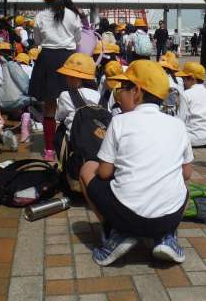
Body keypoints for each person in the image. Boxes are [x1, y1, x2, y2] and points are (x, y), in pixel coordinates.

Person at [79, 60, 193, 266]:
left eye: (122, 88)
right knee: (184, 189)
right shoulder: (178, 125)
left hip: (126, 216)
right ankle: (166, 236)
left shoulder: (120, 121)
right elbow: (187, 174)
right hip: (169, 217)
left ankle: (115, 233)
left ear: (136, 91)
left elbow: (103, 173)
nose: (118, 93)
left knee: (87, 168)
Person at [29, 0, 82, 161]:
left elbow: (37, 41)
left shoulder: (40, 16)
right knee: (72, 102)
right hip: (68, 60)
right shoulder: (73, 14)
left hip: (47, 59)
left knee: (49, 107)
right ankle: (71, 145)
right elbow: (78, 39)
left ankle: (49, 150)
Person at [55, 53, 100, 140]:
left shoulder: (65, 95)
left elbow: (59, 117)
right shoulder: (99, 96)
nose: (66, 79)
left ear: (74, 78)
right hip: (98, 141)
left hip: (74, 142)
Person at [175, 62, 206, 148]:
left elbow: (181, 119)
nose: (183, 82)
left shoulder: (185, 94)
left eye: (184, 79)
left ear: (192, 79)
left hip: (193, 140)